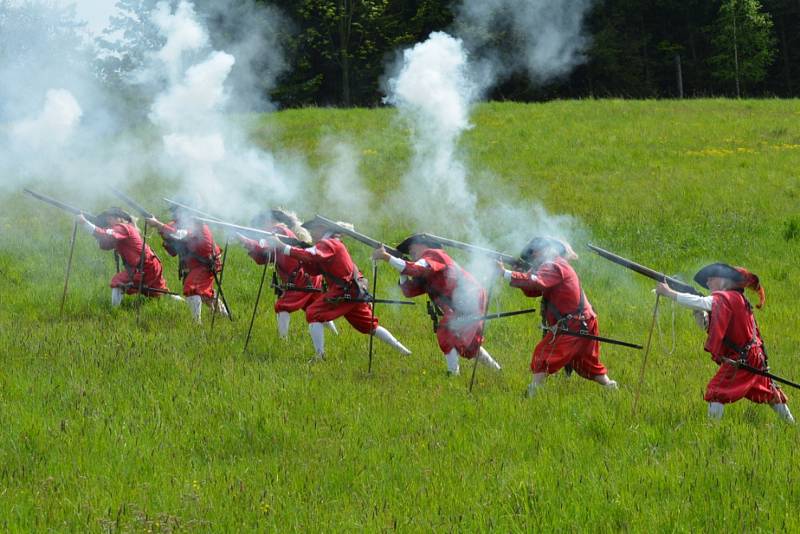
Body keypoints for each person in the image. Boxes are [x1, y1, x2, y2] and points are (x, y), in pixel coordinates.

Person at [655, 263, 793, 423]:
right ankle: (792, 424)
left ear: (723, 280)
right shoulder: (734, 298)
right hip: (754, 357)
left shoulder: (728, 297)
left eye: (710, 279)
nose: (707, 283)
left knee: (716, 390)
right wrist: (697, 312)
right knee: (769, 393)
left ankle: (712, 430)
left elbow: (703, 302)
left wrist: (669, 292)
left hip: (743, 358)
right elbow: (708, 325)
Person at [264, 216, 411, 361]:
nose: (311, 235)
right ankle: (404, 351)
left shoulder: (329, 244)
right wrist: (299, 253)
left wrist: (283, 247)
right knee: (369, 326)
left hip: (344, 291)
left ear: (321, 228)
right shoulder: (329, 243)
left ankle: (319, 356)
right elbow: (314, 268)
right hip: (352, 290)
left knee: (313, 313)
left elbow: (311, 255)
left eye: (313, 231)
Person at [497, 237, 617, 396]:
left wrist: (505, 273)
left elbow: (536, 283)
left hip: (574, 323)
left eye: (535, 255)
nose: (534, 259)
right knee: (585, 363)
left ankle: (531, 393)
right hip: (582, 321)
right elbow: (533, 290)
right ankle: (610, 387)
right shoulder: (554, 265)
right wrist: (519, 273)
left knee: (543, 354)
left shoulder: (553, 266)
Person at [372, 234, 501, 375]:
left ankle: (453, 373)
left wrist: (387, 257)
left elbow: (415, 268)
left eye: (412, 248)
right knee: (470, 346)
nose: (410, 252)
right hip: (461, 301)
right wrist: (401, 268)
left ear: (423, 244)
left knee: (445, 331)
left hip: (469, 297)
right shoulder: (426, 267)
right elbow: (408, 291)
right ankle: (497, 370)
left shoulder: (433, 254)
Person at [238, 209, 338, 339]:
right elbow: (264, 258)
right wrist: (247, 243)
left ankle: (282, 341)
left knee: (282, 307)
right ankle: (336, 336)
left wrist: (245, 240)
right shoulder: (278, 232)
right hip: (306, 276)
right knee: (317, 310)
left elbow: (264, 247)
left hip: (301, 277)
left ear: (268, 221)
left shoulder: (279, 231)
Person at [147, 204, 226, 323]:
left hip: (204, 264)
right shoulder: (183, 224)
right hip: (196, 265)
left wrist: (158, 224)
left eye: (178, 212)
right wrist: (160, 228)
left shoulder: (196, 225)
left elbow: (179, 235)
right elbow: (173, 248)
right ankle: (224, 314)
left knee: (192, 288)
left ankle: (196, 323)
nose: (175, 216)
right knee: (204, 294)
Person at [77, 208, 171, 306]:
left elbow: (105, 234)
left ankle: (114, 311)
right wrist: (95, 231)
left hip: (145, 267)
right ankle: (179, 302)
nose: (107, 221)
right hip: (150, 265)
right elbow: (105, 245)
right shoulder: (123, 229)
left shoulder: (122, 228)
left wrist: (85, 223)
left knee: (117, 281)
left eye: (109, 218)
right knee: (159, 293)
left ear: (119, 219)